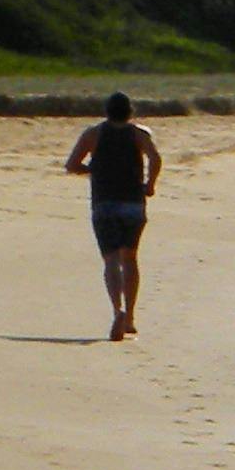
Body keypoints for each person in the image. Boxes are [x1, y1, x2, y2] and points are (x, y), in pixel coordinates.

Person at [63, 92, 162, 341]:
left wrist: (94, 172)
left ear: (107, 111)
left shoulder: (93, 134)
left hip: (104, 203)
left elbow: (72, 164)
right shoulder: (139, 134)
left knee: (110, 261)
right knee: (130, 258)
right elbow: (155, 157)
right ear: (130, 112)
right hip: (133, 204)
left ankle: (116, 310)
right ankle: (129, 316)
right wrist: (150, 184)